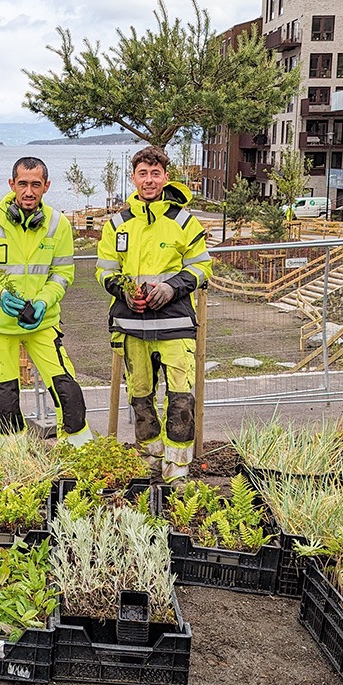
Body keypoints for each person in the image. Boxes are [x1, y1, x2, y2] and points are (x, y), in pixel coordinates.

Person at [96, 146, 212, 481]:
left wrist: (172, 288)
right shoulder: (117, 224)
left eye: (155, 173)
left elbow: (202, 267)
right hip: (132, 324)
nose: (149, 180)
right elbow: (104, 270)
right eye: (143, 174)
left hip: (175, 323)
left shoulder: (183, 222)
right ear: (133, 178)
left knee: (179, 396)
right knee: (140, 396)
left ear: (165, 176)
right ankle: (150, 455)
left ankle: (178, 464)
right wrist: (124, 291)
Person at [0, 157, 93, 446]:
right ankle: (12, 466)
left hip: (42, 323)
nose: (29, 191)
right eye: (23, 184)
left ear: (46, 186)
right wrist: (1, 295)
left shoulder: (58, 225)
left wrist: (44, 301)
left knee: (69, 394)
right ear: (12, 185)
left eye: (35, 184)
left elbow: (62, 273)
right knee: (5, 400)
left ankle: (79, 460)